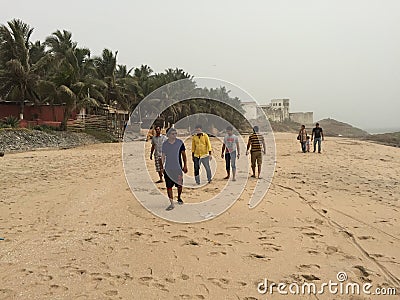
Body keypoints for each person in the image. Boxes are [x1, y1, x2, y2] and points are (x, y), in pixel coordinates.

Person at [161, 128, 188, 211]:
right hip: (168, 168)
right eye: (172, 134)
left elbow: (183, 155)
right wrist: (162, 167)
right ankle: (171, 203)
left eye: (175, 133)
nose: (174, 135)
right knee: (169, 186)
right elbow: (163, 156)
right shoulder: (165, 144)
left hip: (178, 168)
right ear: (168, 135)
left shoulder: (180, 143)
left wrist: (185, 165)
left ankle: (179, 197)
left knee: (179, 185)